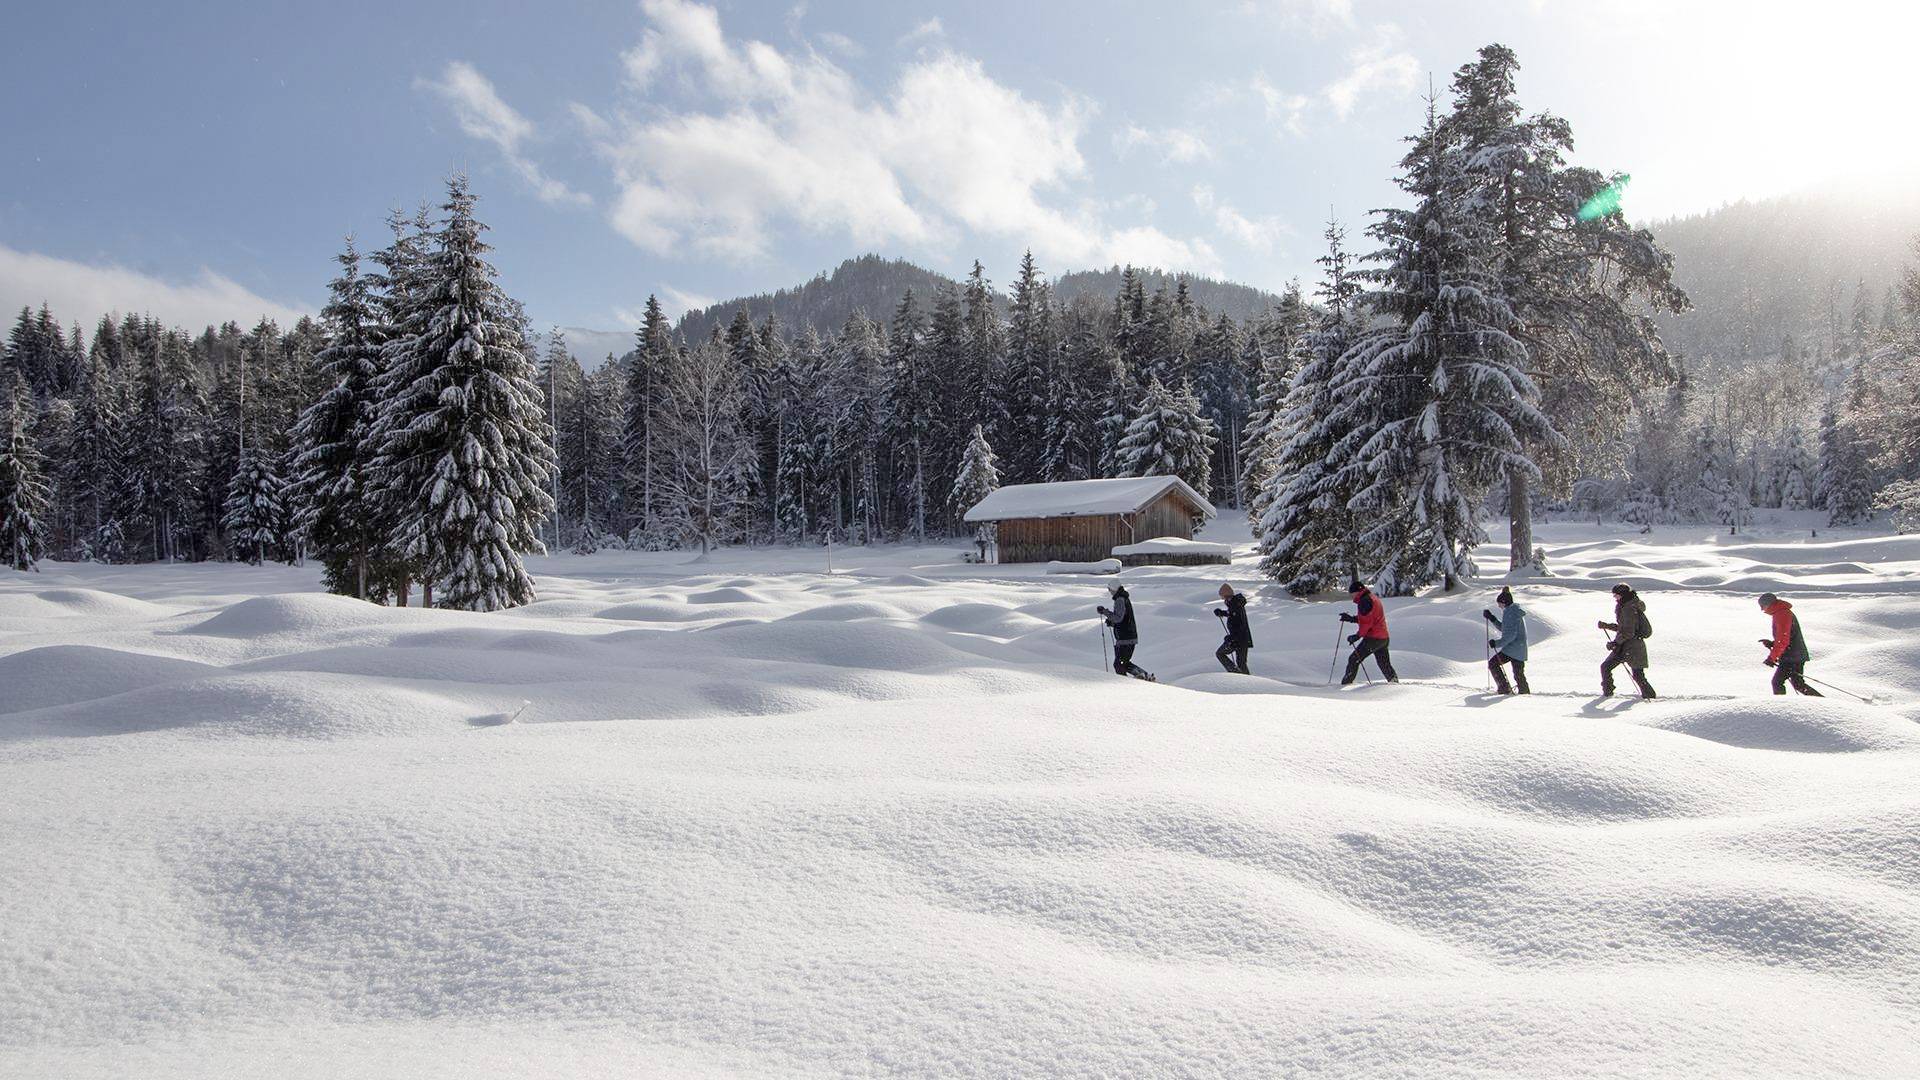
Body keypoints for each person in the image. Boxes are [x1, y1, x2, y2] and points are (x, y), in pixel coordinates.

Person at [1597, 582, 1656, 699]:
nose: (1615, 598)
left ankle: (1608, 694)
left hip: (1631, 647)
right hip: (1630, 646)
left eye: (1616, 595)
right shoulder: (1627, 606)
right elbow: (1624, 628)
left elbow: (1628, 632)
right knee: (1637, 674)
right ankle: (1649, 696)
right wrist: (1607, 626)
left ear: (1623, 595)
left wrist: (1615, 643)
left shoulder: (1628, 608)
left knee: (1608, 667)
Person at [1758, 592, 1823, 696]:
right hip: (1794, 654)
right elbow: (1786, 637)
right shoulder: (1781, 612)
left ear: (1769, 604)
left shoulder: (1782, 614)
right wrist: (1772, 644)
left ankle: (1781, 705)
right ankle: (1821, 702)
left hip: (1792, 657)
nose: (1762, 609)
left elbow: (1783, 639)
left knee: (1777, 682)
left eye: (1762, 606)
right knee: (1798, 684)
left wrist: (1771, 658)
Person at [1339, 579, 1399, 684]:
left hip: (1373, 638)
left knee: (1354, 659)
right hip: (1383, 638)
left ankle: (1346, 683)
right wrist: (1351, 619)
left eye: (1352, 594)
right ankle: (1394, 683)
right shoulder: (1372, 597)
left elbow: (1367, 622)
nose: (1351, 597)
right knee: (1384, 664)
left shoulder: (1364, 601)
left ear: (1357, 592)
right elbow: (1370, 618)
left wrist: (1357, 636)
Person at [1097, 583, 1155, 681]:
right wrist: (1113, 623)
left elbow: (1118, 618)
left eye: (1110, 589)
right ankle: (1145, 676)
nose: (1110, 592)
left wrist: (1105, 612)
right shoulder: (1123, 598)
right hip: (1128, 636)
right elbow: (1123, 619)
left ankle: (1126, 682)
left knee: (1119, 664)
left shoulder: (1120, 600)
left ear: (1114, 589)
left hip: (1125, 638)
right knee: (1124, 663)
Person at [1481, 585, 1530, 694]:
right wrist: (1492, 618)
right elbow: (1505, 628)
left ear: (1504, 602)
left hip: (1513, 649)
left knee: (1493, 664)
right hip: (1518, 649)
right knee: (1518, 674)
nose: (1499, 606)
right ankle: (1524, 693)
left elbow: (1510, 635)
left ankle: (1504, 688)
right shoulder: (1512, 611)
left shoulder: (1510, 613)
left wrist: (1496, 643)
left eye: (1499, 603)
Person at [1213, 583, 1252, 674]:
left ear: (1226, 595)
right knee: (1241, 663)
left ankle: (1236, 674)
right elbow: (1231, 613)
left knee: (1220, 653)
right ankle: (1246, 679)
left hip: (1238, 639)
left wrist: (1232, 638)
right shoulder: (1235, 603)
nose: (1223, 599)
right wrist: (1222, 613)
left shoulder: (1235, 605)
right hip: (1243, 639)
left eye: (1222, 597)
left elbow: (1239, 624)